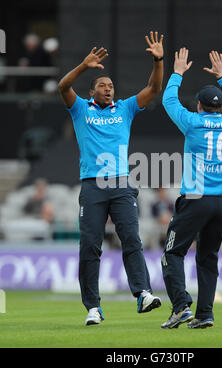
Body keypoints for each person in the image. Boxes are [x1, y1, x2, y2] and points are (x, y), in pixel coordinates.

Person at [58, 31, 164, 326]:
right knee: (90, 245)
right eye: (103, 85)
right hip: (92, 185)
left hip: (120, 183)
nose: (108, 88)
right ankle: (93, 307)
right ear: (91, 92)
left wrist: (159, 60)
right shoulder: (80, 109)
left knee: (131, 239)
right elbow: (62, 85)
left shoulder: (126, 108)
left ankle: (143, 293)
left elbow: (154, 88)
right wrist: (83, 66)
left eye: (111, 85)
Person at [160, 49, 222, 329]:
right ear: (221, 107)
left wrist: (177, 73)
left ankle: (181, 307)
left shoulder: (193, 123)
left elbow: (169, 101)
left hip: (196, 197)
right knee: (208, 257)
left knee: (172, 253)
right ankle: (205, 314)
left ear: (198, 105)